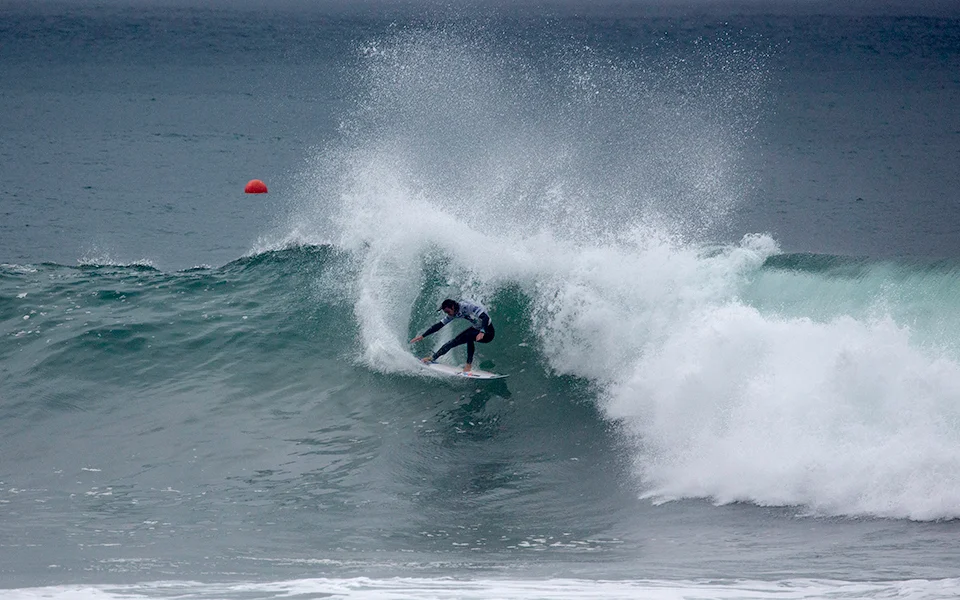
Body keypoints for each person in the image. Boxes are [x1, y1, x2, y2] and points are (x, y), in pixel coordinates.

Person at [410, 298, 495, 373]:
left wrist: (482, 331)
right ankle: (432, 358)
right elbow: (439, 325)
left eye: (448, 311)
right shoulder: (454, 313)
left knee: (469, 335)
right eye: (446, 312)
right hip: (476, 329)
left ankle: (468, 364)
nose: (447, 314)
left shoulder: (467, 307)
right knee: (453, 342)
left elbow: (485, 317)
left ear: (453, 307)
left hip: (488, 332)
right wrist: (423, 336)